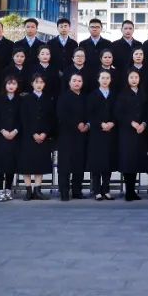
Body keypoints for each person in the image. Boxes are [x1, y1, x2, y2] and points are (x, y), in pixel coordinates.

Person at [18, 74, 55, 200]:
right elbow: (24, 118)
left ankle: (38, 190)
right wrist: (33, 133)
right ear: (32, 84)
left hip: (43, 136)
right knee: (27, 163)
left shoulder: (48, 99)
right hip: (29, 136)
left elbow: (51, 119)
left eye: (41, 82)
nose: (39, 84)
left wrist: (45, 133)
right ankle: (28, 190)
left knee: (40, 163)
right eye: (36, 82)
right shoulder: (26, 99)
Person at [115, 68, 148, 201]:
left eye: (136, 77)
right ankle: (128, 191)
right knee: (127, 161)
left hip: (140, 132)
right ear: (127, 79)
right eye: (131, 77)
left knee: (135, 161)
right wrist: (131, 122)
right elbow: (118, 113)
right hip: (127, 132)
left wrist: (144, 124)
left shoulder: (144, 93)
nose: (134, 80)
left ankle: (132, 191)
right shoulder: (122, 94)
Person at [56, 72, 89, 201]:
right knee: (65, 165)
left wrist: (87, 125)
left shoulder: (85, 97)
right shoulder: (63, 97)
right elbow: (61, 115)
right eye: (74, 80)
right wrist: (76, 124)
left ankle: (77, 191)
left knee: (79, 164)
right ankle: (64, 191)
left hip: (81, 135)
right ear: (69, 82)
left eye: (79, 81)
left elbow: (90, 113)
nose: (77, 83)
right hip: (67, 135)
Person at [86, 68, 118, 201]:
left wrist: (112, 123)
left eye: (107, 78)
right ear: (98, 79)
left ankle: (106, 189)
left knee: (107, 162)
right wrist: (100, 124)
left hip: (110, 132)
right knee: (96, 162)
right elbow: (90, 113)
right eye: (103, 78)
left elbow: (118, 112)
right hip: (96, 133)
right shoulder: (92, 95)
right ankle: (97, 190)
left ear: (110, 80)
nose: (105, 80)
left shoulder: (114, 95)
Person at [0, 76, 21, 202]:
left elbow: (22, 119)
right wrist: (3, 131)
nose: (11, 86)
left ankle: (8, 189)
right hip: (1, 136)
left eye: (14, 84)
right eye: (9, 83)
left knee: (11, 163)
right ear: (5, 85)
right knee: (0, 163)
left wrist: (15, 131)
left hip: (15, 136)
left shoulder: (20, 100)